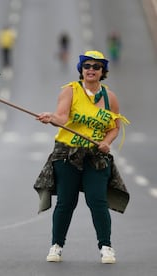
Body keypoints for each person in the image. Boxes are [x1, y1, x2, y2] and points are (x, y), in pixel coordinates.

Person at [34, 50, 130, 264]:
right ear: (81, 69)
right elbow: (62, 116)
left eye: (96, 67)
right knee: (66, 202)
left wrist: (107, 142)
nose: (91, 70)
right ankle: (56, 245)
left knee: (97, 201)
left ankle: (106, 247)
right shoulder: (71, 91)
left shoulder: (109, 97)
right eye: (87, 66)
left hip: (95, 157)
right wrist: (51, 118)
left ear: (103, 71)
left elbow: (115, 127)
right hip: (68, 155)